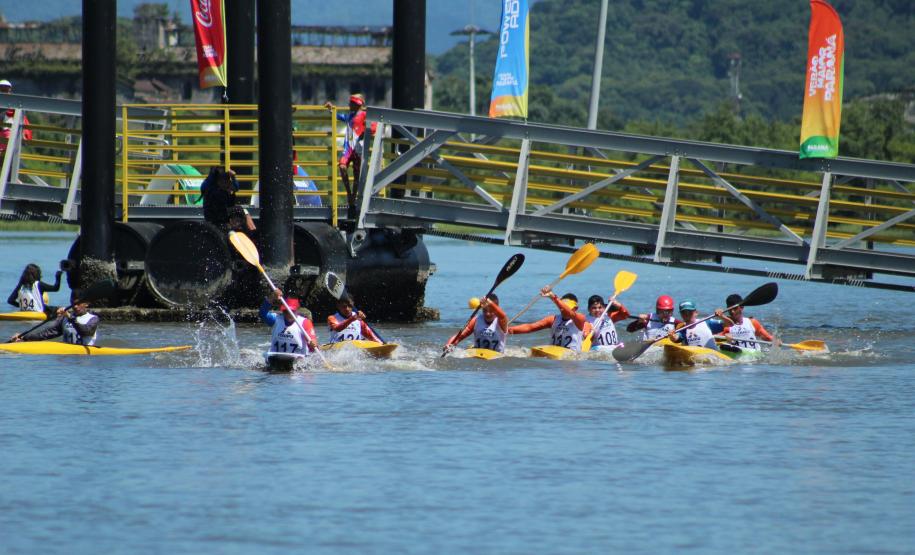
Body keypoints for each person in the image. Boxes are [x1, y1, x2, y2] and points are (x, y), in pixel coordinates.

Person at [324, 94, 370, 212]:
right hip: (348, 149)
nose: (349, 105)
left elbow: (373, 126)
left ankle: (353, 199)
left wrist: (366, 133)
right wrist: (331, 109)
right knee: (342, 166)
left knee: (356, 177)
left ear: (357, 104)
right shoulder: (350, 116)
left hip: (358, 150)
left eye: (351, 103)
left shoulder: (364, 115)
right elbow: (339, 116)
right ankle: (349, 195)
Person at [508, 287, 590, 352]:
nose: (562, 309)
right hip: (553, 352)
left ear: (576, 308)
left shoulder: (580, 318)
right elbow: (530, 327)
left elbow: (570, 313)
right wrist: (508, 330)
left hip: (571, 356)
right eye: (562, 306)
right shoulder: (553, 319)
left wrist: (553, 297)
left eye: (566, 307)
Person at [10, 300, 99, 345]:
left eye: (78, 304)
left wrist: (71, 318)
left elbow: (86, 332)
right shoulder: (65, 318)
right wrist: (24, 338)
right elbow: (47, 333)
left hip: (86, 357)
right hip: (68, 355)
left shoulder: (93, 319)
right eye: (73, 304)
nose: (75, 306)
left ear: (86, 304)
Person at [259, 289, 318, 356]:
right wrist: (272, 297)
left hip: (298, 359)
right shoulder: (276, 319)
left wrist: (313, 344)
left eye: (292, 311)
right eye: (286, 311)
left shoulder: (305, 322)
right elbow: (262, 313)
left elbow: (313, 341)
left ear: (297, 310)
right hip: (276, 358)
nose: (288, 314)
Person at [443, 294, 509, 353]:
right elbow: (460, 336)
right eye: (485, 310)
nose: (487, 314)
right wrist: (449, 345)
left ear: (496, 309)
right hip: (478, 354)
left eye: (491, 311)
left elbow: (503, 316)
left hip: (496, 356)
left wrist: (490, 302)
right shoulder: (476, 320)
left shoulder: (501, 321)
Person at [200, 166, 255, 232]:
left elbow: (236, 188)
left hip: (223, 217)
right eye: (225, 180)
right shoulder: (212, 190)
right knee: (238, 210)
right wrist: (212, 173)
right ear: (218, 181)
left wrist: (233, 177)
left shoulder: (226, 190)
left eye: (228, 180)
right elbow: (204, 186)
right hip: (215, 221)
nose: (228, 182)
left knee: (244, 211)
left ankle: (252, 232)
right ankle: (245, 230)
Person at [1, 79, 32, 159]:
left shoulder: (14, 105)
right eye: (2, 89)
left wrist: (22, 135)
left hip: (7, 135)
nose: (4, 92)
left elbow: (21, 119)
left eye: (6, 90)